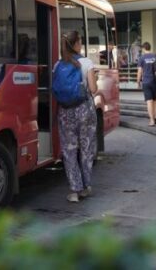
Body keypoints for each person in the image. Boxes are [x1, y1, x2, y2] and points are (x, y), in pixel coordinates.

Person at [55, 30, 98, 203]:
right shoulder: (86, 62)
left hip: (65, 111)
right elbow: (93, 89)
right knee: (86, 148)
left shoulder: (57, 65)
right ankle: (86, 186)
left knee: (69, 150)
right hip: (84, 110)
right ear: (77, 44)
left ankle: (74, 190)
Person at [135, 42, 156, 126]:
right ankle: (155, 116)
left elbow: (140, 71)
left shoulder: (142, 58)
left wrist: (138, 82)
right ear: (150, 47)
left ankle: (152, 120)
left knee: (149, 101)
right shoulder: (155, 56)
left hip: (146, 81)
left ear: (143, 48)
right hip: (155, 81)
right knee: (155, 101)